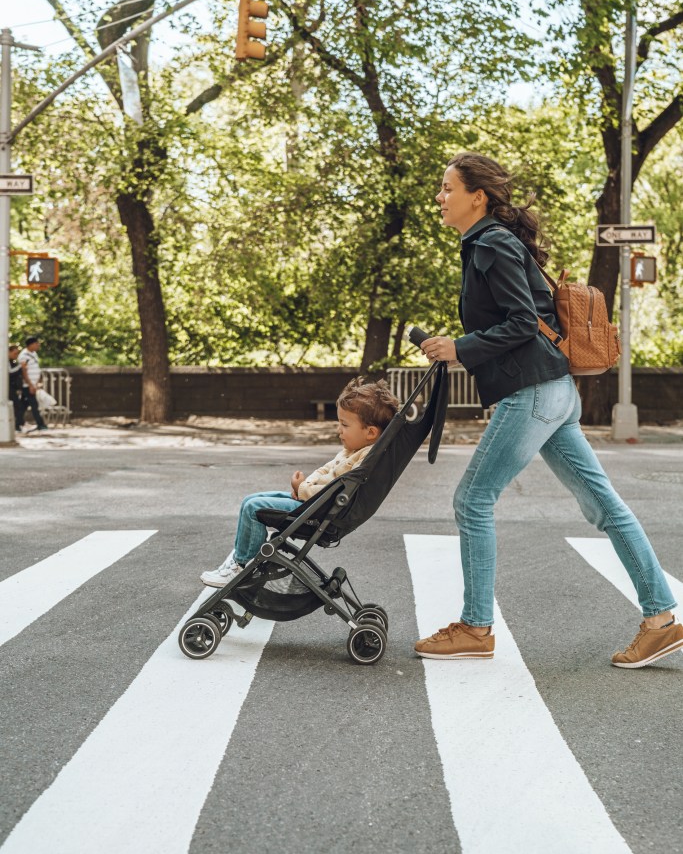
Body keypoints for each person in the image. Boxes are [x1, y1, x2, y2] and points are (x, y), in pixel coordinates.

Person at [414, 151, 682, 669]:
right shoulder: (489, 242)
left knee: (472, 499)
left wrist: (460, 347)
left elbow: (520, 322)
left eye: (448, 188)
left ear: (478, 197)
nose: (440, 197)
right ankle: (661, 621)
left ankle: (475, 627)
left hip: (534, 392)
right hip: (554, 391)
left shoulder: (491, 242)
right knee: (604, 505)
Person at [200, 377, 399, 587]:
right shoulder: (353, 449)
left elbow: (333, 491)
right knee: (251, 499)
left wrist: (303, 489)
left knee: (253, 508)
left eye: (344, 425)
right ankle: (243, 556)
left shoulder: (364, 458)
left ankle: (243, 567)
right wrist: (303, 487)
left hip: (321, 511)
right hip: (314, 503)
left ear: (370, 432)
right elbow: (326, 470)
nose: (338, 430)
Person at [18, 335, 48, 432]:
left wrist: (37, 382)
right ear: (30, 344)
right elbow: (24, 371)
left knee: (23, 405)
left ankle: (18, 423)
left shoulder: (34, 354)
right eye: (36, 343)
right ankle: (41, 424)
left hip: (33, 384)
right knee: (34, 405)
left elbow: (35, 368)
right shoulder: (24, 356)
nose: (38, 345)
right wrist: (30, 384)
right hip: (27, 385)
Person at [8, 344, 24, 432]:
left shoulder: (12, 362)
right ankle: (17, 425)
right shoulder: (5, 361)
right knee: (17, 405)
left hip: (13, 387)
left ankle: (18, 424)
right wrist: (20, 366)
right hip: (8, 388)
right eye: (15, 353)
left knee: (18, 405)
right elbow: (10, 372)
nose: (16, 356)